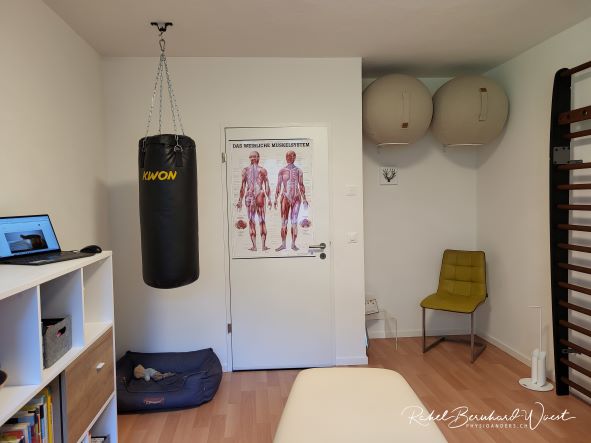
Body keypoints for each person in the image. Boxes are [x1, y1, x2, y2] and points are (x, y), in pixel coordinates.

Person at [236, 151, 272, 251]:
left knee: (261, 221)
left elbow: (267, 185)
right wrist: (239, 200)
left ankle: (262, 246)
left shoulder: (262, 170)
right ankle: (255, 246)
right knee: (252, 221)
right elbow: (243, 186)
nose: (252, 158)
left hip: (259, 195)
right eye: (251, 157)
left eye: (254, 157)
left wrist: (269, 198)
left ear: (258, 157)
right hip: (250, 196)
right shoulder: (245, 170)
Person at [274, 150, 308, 251]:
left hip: (296, 197)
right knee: (284, 222)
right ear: (286, 157)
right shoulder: (282, 171)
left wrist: (304, 199)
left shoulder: (299, 171)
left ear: (295, 157)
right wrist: (275, 198)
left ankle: (293, 244)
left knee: (294, 222)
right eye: (288, 156)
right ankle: (283, 244)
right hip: (285, 196)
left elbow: (301, 185)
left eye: (291, 156)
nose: (289, 158)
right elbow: (278, 185)